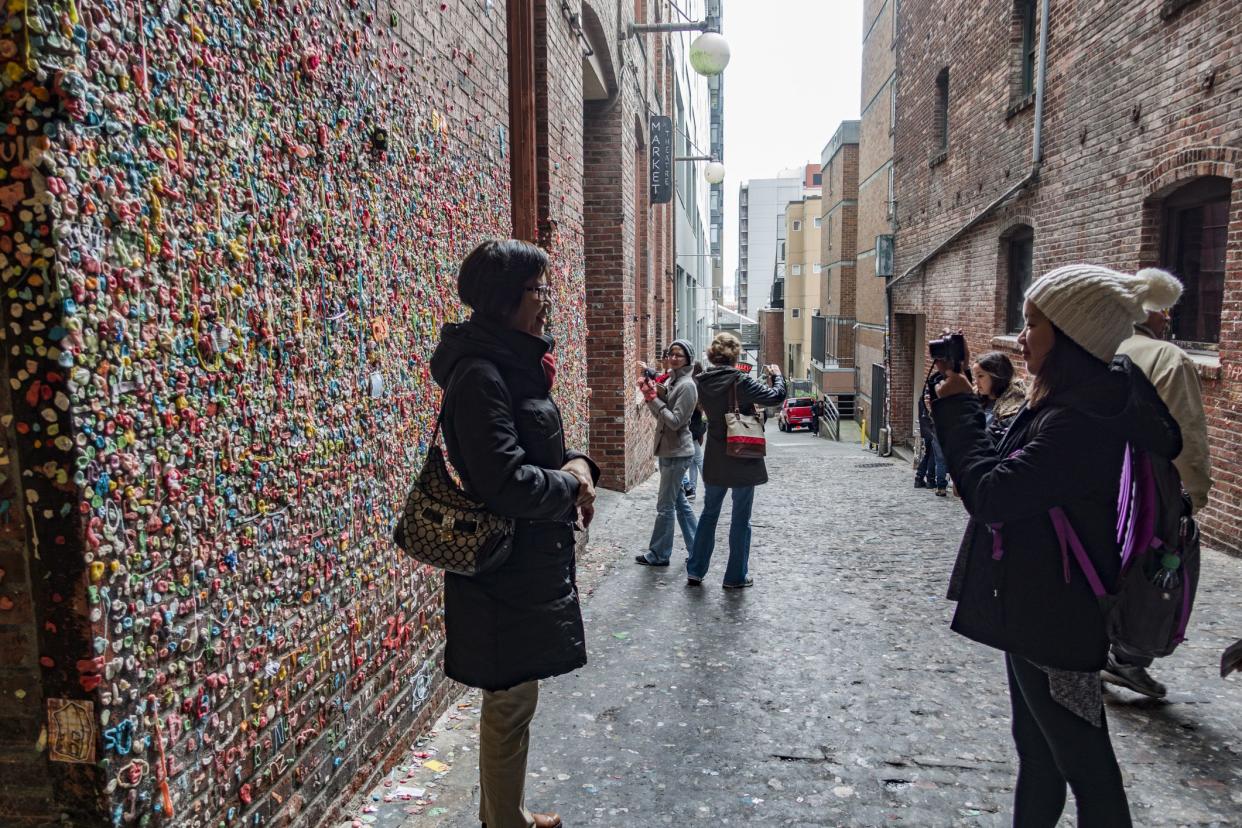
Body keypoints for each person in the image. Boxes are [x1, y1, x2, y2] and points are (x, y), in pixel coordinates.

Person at [932, 264, 1183, 827]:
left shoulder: (1083, 417)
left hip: (1055, 616)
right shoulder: (1083, 398)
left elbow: (994, 494)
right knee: (1041, 758)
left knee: (1088, 771)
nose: (1021, 338)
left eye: (1031, 325)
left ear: (1071, 334)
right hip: (1038, 608)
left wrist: (955, 413)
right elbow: (1014, 471)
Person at [429, 239, 601, 828]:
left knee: (514, 701)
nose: (546, 302)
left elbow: (540, 448)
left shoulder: (511, 363)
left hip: (526, 565)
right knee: (509, 702)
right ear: (505, 299)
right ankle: (502, 823)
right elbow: (504, 480)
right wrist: (572, 487)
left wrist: (578, 464)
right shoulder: (480, 375)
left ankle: (506, 815)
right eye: (538, 290)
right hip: (502, 570)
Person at [1103, 272, 1213, 699]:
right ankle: (1128, 658)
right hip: (1155, 488)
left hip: (1104, 483)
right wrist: (1194, 494)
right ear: (1157, 312)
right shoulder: (1168, 359)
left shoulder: (1102, 347)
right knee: (1157, 571)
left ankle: (1097, 644)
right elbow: (1188, 436)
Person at [686, 332, 786, 589]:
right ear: (735, 355)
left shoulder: (701, 382)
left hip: (716, 454)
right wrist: (777, 375)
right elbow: (775, 396)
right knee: (741, 517)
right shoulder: (740, 381)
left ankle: (696, 570)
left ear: (711, 355)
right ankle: (735, 576)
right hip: (743, 452)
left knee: (709, 513)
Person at [635, 341, 700, 567]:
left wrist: (653, 400)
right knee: (680, 503)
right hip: (668, 450)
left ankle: (659, 554)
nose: (673, 358)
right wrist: (653, 396)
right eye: (671, 354)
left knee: (665, 507)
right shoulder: (673, 380)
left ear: (688, 359)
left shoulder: (687, 386)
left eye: (679, 356)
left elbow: (674, 422)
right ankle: (697, 549)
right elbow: (663, 414)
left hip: (677, 452)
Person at [970, 351, 1027, 448]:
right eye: (975, 376)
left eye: (980, 376)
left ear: (996, 376)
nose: (976, 382)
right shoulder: (974, 398)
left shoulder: (1012, 408)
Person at [915, 368, 949, 495]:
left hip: (931, 425)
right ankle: (929, 480)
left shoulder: (931, 388)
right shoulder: (935, 389)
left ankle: (924, 479)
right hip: (933, 426)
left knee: (934, 455)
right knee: (936, 455)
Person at [683, 362, 707, 501]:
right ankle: (691, 489)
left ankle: (710, 486)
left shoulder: (692, 385)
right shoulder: (699, 384)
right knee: (693, 461)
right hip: (696, 428)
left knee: (698, 459)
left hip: (692, 429)